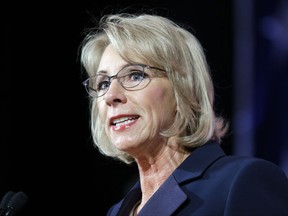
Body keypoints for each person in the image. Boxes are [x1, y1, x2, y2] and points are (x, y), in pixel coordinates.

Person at [79, 12, 288, 216]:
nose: (110, 96)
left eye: (135, 75)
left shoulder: (243, 182)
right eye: (103, 83)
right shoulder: (118, 211)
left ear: (183, 89)